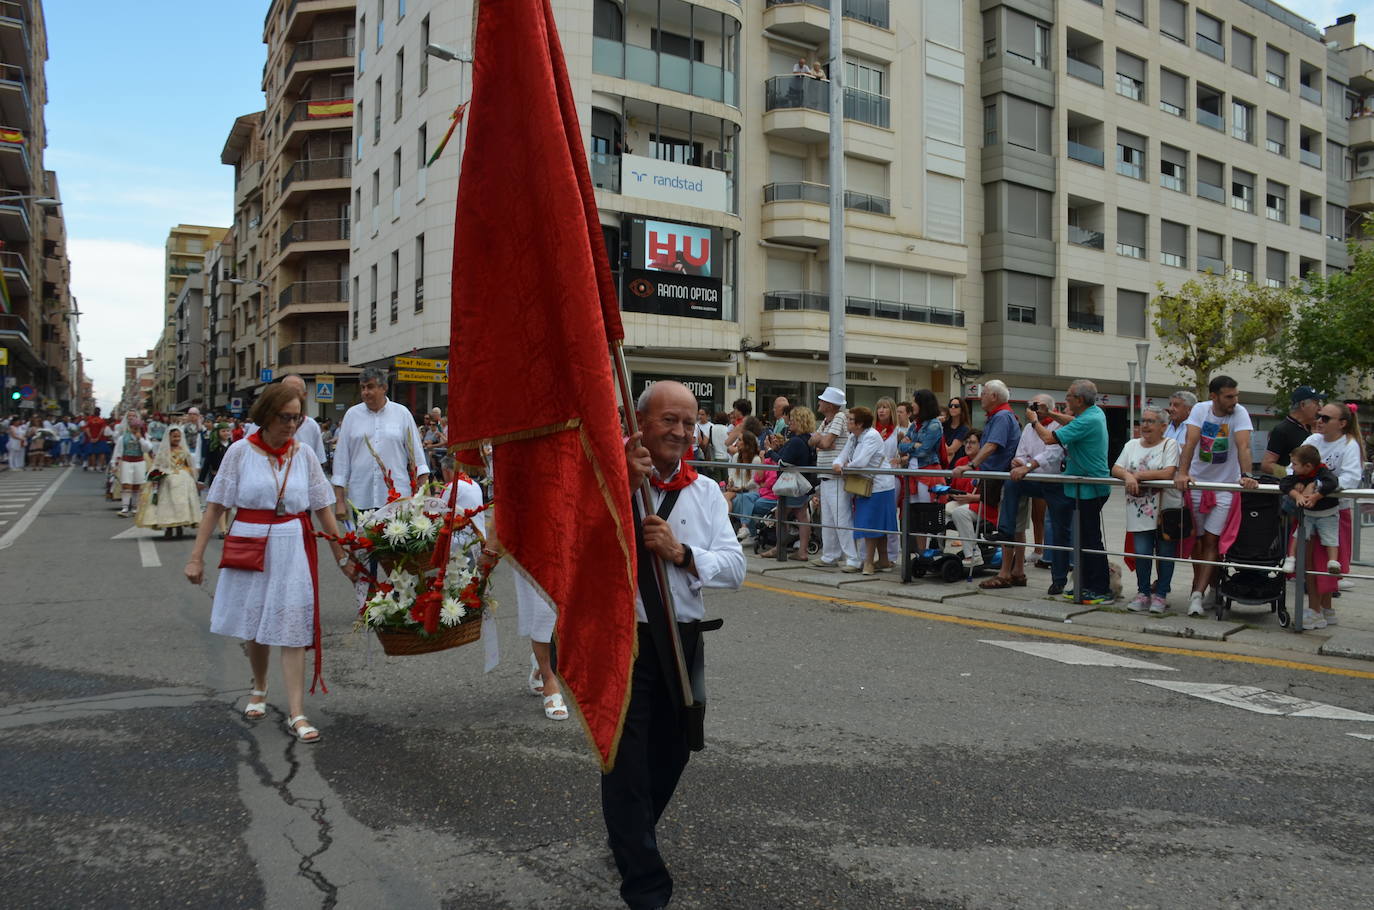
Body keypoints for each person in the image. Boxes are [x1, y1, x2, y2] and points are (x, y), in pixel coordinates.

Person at [606, 380, 744, 910]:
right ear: (640, 422)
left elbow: (735, 569)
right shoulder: (613, 482)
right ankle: (644, 883)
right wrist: (621, 481)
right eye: (669, 421)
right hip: (626, 641)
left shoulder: (705, 491)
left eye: (689, 423)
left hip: (683, 640)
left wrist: (683, 552)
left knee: (675, 750)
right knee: (626, 763)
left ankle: (628, 835)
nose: (681, 433)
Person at [184, 383, 353, 744]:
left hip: (292, 544)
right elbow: (216, 505)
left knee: (293, 626)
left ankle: (297, 712)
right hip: (250, 539)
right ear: (266, 415)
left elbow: (322, 506)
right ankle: (259, 687)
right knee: (255, 623)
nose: (292, 424)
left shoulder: (304, 454)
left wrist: (341, 553)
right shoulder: (240, 452)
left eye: (297, 417)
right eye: (285, 417)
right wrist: (196, 557)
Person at [1173, 375, 1259, 617]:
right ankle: (1204, 586)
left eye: (1236, 395)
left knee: (1212, 541)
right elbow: (1190, 442)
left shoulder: (1239, 412)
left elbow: (1244, 446)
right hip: (1198, 483)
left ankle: (1197, 594)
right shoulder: (1200, 410)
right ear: (1214, 396)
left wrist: (1247, 474)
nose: (1234, 400)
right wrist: (1182, 473)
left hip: (1225, 487)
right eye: (1229, 396)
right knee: (1197, 541)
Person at [1028, 379, 1114, 604]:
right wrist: (1052, 414)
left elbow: (1048, 438)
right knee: (1083, 539)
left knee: (1091, 540)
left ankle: (1101, 589)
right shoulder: (1093, 414)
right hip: (1084, 486)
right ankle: (1086, 585)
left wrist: (1035, 420)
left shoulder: (1090, 420)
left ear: (1079, 399)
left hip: (1091, 487)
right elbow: (1072, 421)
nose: (1065, 400)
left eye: (1068, 397)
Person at [1290, 403, 1366, 628]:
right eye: (1319, 416)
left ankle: (1317, 610)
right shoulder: (1313, 440)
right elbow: (1291, 466)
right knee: (1311, 561)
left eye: (1325, 418)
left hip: (1334, 511)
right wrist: (1299, 484)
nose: (1319, 420)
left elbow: (1351, 478)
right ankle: (1322, 609)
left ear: (1342, 423)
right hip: (1309, 509)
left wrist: (1316, 487)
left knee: (1326, 564)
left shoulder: (1349, 445)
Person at [982, 394, 1064, 590]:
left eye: (1038, 405)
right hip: (1029, 478)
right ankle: (1007, 539)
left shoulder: (1059, 426)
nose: (1033, 409)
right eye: (1031, 405)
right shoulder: (1028, 427)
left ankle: (1057, 577)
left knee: (1055, 526)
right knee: (1012, 488)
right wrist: (1020, 463)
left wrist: (1027, 464)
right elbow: (1021, 452)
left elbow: (1052, 454)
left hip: (1053, 481)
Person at [331, 367, 429, 520]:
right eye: (362, 388)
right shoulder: (352, 415)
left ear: (384, 387)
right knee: (364, 544)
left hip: (397, 500)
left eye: (370, 387)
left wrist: (420, 499)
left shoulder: (402, 414)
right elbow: (341, 461)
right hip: (361, 500)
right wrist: (340, 502)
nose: (365, 392)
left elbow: (418, 459)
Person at [1112, 406, 1182, 613]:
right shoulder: (1132, 444)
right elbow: (1116, 468)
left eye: (1150, 421)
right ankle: (1143, 592)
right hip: (1137, 508)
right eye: (1142, 421)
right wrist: (1127, 476)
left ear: (1163, 426)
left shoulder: (1170, 444)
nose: (1145, 425)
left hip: (1164, 509)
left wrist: (1136, 476)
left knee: (1165, 552)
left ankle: (1161, 594)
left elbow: (1168, 472)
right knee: (1141, 552)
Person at [951, 380, 1018, 543]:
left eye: (984, 393)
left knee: (1007, 528)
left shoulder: (1002, 416)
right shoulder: (998, 416)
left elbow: (991, 445)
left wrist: (971, 465)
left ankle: (975, 555)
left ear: (994, 396)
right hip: (992, 479)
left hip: (998, 481)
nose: (981, 397)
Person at [832, 406, 896, 575]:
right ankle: (883, 560)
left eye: (850, 419)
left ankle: (868, 562)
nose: (847, 422)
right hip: (866, 484)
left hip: (880, 486)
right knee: (876, 523)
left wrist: (844, 467)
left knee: (871, 524)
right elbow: (842, 455)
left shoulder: (872, 436)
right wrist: (838, 464)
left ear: (860, 423)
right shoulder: (854, 436)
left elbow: (861, 461)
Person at [1279, 444, 1342, 581]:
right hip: (1308, 515)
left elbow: (1332, 483)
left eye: (1294, 464)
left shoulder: (1323, 472)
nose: (1292, 467)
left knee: (1331, 537)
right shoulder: (1299, 474)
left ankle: (1333, 561)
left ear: (1307, 466)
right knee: (1298, 535)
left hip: (1328, 513)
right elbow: (1284, 483)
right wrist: (1297, 494)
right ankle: (1291, 558)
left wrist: (1315, 496)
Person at [809, 386, 856, 569]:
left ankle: (852, 558)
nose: (819, 403)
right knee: (828, 518)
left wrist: (820, 441)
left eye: (822, 400)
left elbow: (825, 443)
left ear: (830, 404)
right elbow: (816, 442)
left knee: (841, 518)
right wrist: (820, 441)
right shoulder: (827, 421)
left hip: (836, 476)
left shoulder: (838, 417)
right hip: (826, 476)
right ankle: (830, 555)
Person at [764, 405, 817, 561]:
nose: (790, 422)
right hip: (804, 483)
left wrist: (769, 451)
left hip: (793, 484)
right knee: (802, 516)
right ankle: (802, 550)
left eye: (793, 419)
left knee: (781, 514)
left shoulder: (796, 441)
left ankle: (780, 548)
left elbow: (784, 462)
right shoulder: (809, 439)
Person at [135, 425, 203, 539]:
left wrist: (194, 478)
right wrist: (156, 474)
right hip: (168, 478)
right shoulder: (164, 452)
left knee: (182, 502)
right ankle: (169, 528)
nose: (176, 439)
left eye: (178, 436)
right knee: (169, 503)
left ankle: (180, 526)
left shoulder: (184, 451)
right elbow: (157, 464)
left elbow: (188, 464)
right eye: (174, 436)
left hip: (183, 479)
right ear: (168, 437)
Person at [1260, 386, 1322, 477]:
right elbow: (1266, 465)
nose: (1319, 408)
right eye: (1316, 403)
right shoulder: (1282, 430)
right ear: (1303, 404)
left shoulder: (1309, 427)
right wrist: (1292, 473)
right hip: (1290, 488)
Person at [199, 422, 235, 538]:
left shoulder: (233, 446)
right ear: (218, 433)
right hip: (217, 477)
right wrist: (201, 480)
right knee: (220, 503)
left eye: (227, 431)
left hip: (231, 478)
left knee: (228, 504)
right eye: (223, 431)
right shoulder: (213, 446)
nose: (226, 433)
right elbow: (206, 464)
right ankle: (223, 529)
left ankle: (225, 525)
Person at [281, 375, 327, 465]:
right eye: (286, 391)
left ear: (304, 395)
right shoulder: (265, 424)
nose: (291, 396)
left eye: (296, 392)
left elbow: (318, 463)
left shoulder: (312, 426)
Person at [113, 415, 152, 517]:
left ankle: (135, 507)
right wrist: (115, 463)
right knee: (126, 484)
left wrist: (141, 439)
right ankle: (125, 508)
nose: (135, 430)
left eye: (137, 428)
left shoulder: (144, 437)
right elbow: (118, 451)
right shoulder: (123, 438)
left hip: (139, 462)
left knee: (137, 485)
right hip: (127, 462)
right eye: (133, 427)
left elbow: (147, 449)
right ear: (130, 427)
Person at [943, 396, 971, 463]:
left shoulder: (964, 429)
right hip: (942, 463)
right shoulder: (944, 425)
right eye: (950, 405)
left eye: (956, 406)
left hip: (957, 464)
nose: (952, 408)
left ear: (962, 409)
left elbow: (951, 450)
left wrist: (938, 432)